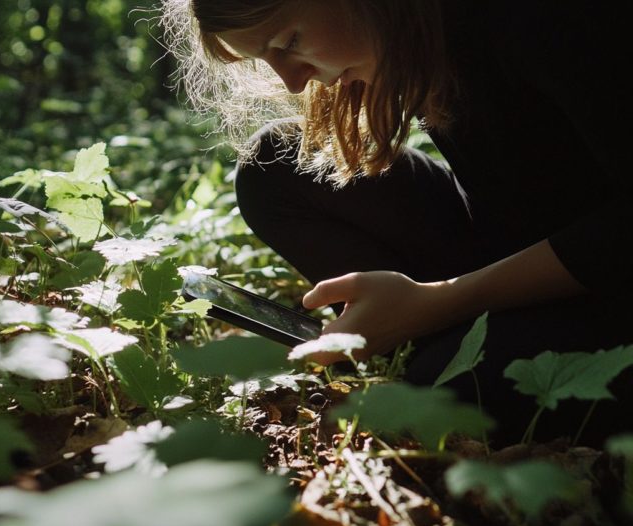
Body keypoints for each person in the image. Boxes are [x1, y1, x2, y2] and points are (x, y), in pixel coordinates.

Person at [160, 0, 633, 445]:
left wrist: (439, 302)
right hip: (515, 240)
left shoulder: (551, 18)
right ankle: (434, 343)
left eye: (288, 42)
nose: (294, 82)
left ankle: (443, 352)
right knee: (272, 168)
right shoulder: (423, 32)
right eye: (266, 60)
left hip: (608, 289)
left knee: (439, 393)